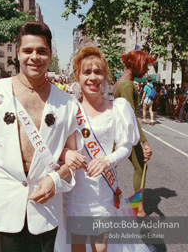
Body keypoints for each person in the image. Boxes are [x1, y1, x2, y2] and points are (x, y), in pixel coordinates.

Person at [0, 21, 80, 252]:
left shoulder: (68, 103)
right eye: (28, 50)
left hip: (44, 213)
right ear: (18, 54)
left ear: (50, 55)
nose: (35, 57)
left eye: (42, 51)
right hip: (1, 209)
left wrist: (54, 179)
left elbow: (71, 160)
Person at [57, 45, 150, 252]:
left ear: (105, 76)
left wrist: (107, 160)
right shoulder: (68, 109)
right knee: (78, 246)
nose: (93, 77)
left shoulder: (118, 108)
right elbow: (55, 147)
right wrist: (66, 153)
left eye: (98, 72)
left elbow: (126, 146)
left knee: (101, 248)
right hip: (75, 192)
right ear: (77, 77)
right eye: (86, 72)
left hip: (103, 192)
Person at [114, 50, 155, 216]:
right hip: (126, 134)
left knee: (111, 167)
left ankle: (136, 206)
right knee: (141, 166)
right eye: (145, 66)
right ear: (137, 63)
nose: (146, 71)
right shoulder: (127, 85)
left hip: (121, 132)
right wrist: (145, 143)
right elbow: (130, 117)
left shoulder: (122, 82)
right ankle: (138, 208)